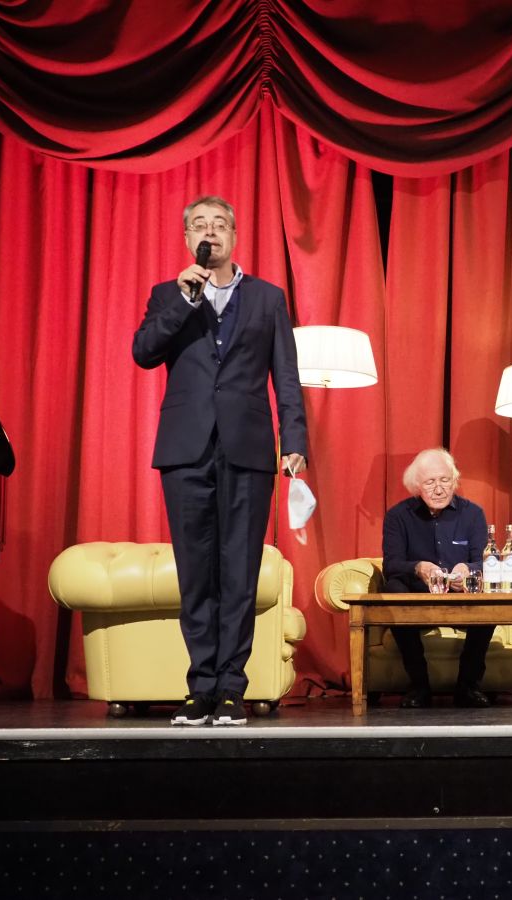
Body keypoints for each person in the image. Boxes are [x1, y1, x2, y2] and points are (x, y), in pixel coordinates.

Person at [132, 195, 308, 726]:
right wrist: (184, 302)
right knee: (196, 573)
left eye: (219, 225)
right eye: (199, 226)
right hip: (185, 450)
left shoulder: (267, 298)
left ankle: (232, 687)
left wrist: (294, 440)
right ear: (188, 239)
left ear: (234, 236)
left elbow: (286, 376)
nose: (209, 232)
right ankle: (199, 687)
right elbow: (144, 352)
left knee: (239, 572)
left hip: (247, 448)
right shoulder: (169, 294)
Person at [381, 448, 494, 709]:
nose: (439, 489)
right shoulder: (398, 516)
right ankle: (419, 685)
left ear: (454, 481)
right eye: (430, 482)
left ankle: (468, 685)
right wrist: (418, 567)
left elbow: (485, 561)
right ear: (416, 486)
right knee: (393, 588)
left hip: (462, 594)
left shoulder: (473, 514)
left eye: (445, 480)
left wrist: (468, 569)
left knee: (490, 596)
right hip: (416, 595)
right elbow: (391, 565)